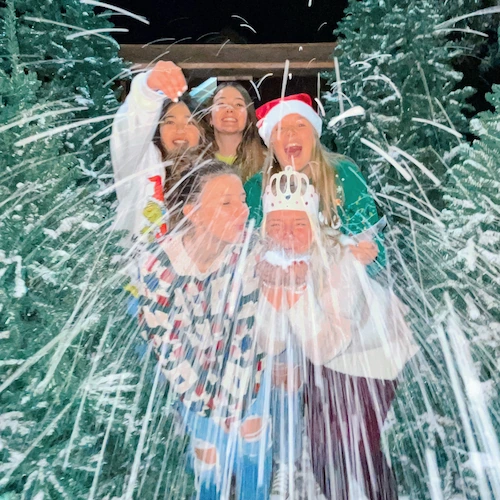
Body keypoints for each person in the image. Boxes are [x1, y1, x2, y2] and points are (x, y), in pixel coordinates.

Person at [138, 157, 272, 500]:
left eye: (242, 201)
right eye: (226, 204)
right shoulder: (159, 267)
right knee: (208, 455)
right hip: (192, 382)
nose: (242, 211)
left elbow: (246, 336)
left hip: (243, 374)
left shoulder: (251, 250)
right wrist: (211, 407)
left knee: (252, 438)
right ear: (192, 213)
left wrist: (234, 403)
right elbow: (171, 352)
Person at [244, 93, 385, 275]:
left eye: (300, 124)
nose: (290, 132)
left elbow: (372, 242)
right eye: (279, 128)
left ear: (314, 134)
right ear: (270, 141)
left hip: (340, 288)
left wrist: (368, 254)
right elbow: (245, 254)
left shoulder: (343, 174)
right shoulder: (256, 188)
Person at [111, 61, 203, 244]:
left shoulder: (211, 176)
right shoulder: (140, 166)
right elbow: (130, 129)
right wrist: (148, 91)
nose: (180, 129)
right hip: (138, 267)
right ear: (156, 130)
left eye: (190, 122)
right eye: (169, 122)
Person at [203, 82, 266, 181]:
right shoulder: (198, 162)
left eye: (238, 104)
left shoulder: (266, 162)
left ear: (248, 116)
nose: (230, 109)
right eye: (221, 104)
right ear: (210, 117)